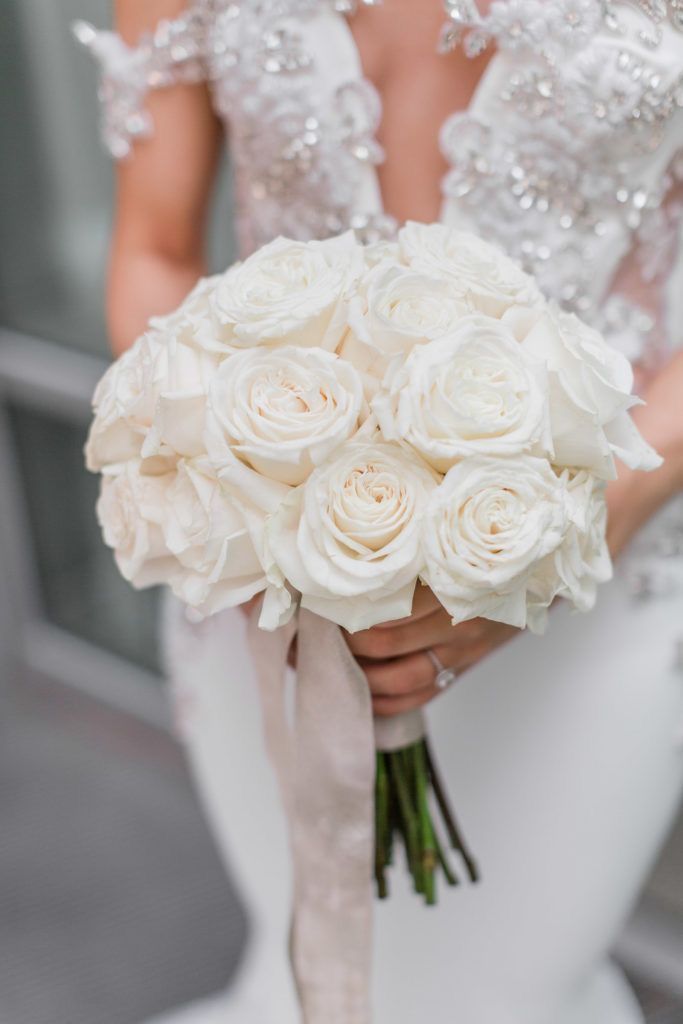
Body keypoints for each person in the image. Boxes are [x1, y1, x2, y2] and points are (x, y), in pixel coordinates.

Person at [77, 1, 683, 1020]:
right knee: (321, 971)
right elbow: (154, 249)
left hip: (606, 582)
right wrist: (254, 494)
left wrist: (578, 523)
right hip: (272, 597)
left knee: (508, 990)